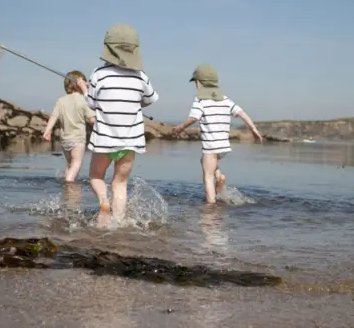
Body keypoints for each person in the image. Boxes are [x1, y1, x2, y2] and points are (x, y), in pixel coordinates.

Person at [85, 24, 159, 225]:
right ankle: (118, 222)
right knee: (120, 182)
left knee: (96, 175)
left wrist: (85, 89)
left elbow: (91, 103)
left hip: (104, 140)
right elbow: (151, 99)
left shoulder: (98, 74)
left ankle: (103, 203)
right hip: (129, 142)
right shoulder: (140, 76)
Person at [171, 64, 263, 204]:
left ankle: (211, 206)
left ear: (199, 83)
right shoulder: (225, 99)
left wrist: (180, 128)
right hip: (223, 146)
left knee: (207, 177)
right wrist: (253, 129)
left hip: (211, 146)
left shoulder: (200, 100)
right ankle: (219, 176)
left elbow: (193, 118)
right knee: (205, 162)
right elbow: (241, 113)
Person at [42, 70, 95, 183]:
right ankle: (69, 182)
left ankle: (68, 183)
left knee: (70, 163)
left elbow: (54, 116)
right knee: (76, 163)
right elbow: (92, 120)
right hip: (77, 139)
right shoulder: (84, 100)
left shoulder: (61, 100)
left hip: (64, 139)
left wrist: (47, 131)